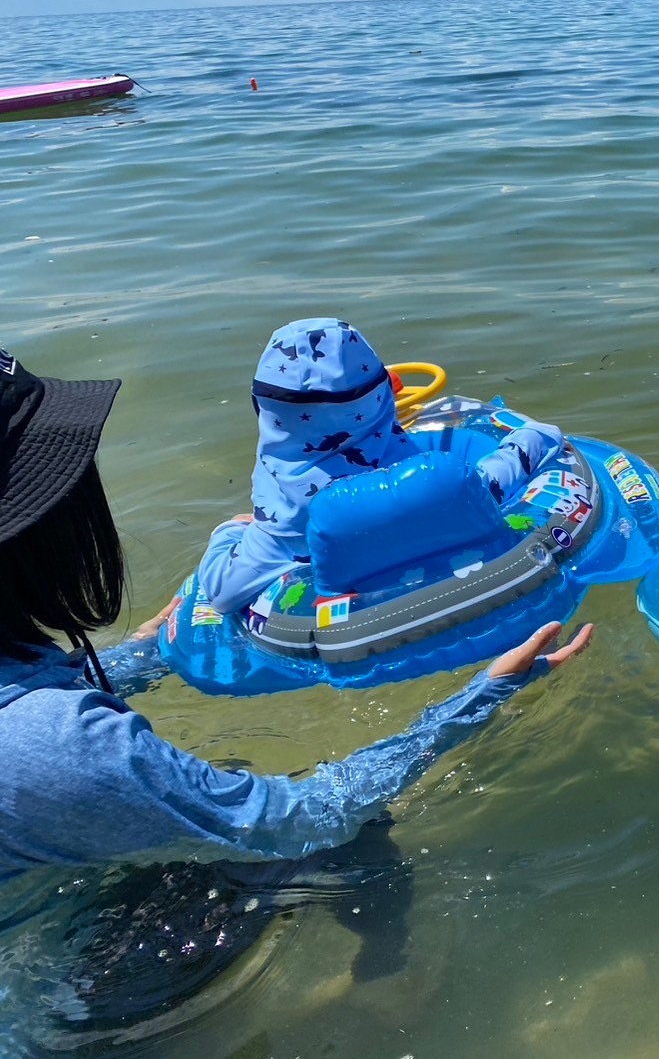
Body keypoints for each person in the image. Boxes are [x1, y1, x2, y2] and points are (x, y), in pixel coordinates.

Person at [0, 344, 590, 1032]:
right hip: (30, 1011)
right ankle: (384, 987)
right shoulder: (66, 749)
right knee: (348, 832)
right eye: (62, 478)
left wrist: (143, 656)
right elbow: (305, 817)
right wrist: (478, 698)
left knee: (191, 803)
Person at [197, 317, 564, 612]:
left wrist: (228, 531)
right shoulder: (445, 483)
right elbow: (537, 441)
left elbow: (223, 593)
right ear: (385, 393)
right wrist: (534, 435)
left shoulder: (285, 530)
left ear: (266, 410)